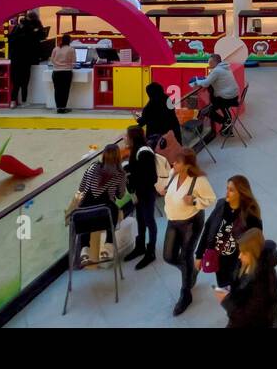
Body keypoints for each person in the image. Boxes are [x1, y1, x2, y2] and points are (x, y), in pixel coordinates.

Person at [163, 150, 216, 316]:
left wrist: (194, 201)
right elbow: (170, 192)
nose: (173, 164)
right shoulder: (173, 174)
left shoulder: (199, 181)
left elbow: (211, 199)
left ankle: (186, 294)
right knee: (168, 256)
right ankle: (190, 271)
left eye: (177, 162)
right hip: (173, 220)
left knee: (186, 255)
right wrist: (164, 191)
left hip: (191, 223)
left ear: (187, 165)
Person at [196, 175, 263, 291]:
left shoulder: (250, 216)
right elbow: (208, 229)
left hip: (238, 262)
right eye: (227, 188)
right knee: (224, 286)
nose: (227, 192)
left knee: (239, 290)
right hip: (219, 260)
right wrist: (199, 255)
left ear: (241, 193)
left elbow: (255, 242)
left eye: (231, 190)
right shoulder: (221, 205)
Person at [75, 143, 127, 265]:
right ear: (118, 157)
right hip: (104, 218)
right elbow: (120, 195)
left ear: (103, 155)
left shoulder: (92, 167)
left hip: (83, 218)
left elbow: (81, 188)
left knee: (87, 210)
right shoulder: (120, 174)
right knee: (113, 209)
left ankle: (84, 249)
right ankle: (108, 247)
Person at [219, 228, 277, 328]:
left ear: (253, 253)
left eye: (244, 253)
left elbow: (247, 315)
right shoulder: (246, 263)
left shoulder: (262, 281)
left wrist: (226, 300)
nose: (239, 256)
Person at [124, 125, 160, 269]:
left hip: (146, 193)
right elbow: (138, 169)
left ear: (133, 137)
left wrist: (133, 178)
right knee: (141, 219)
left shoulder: (144, 152)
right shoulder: (137, 150)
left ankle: (151, 251)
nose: (125, 138)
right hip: (140, 193)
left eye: (127, 135)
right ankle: (140, 246)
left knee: (149, 220)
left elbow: (151, 176)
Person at [190, 54, 241, 141]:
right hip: (234, 96)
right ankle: (227, 125)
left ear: (215, 62)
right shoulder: (225, 67)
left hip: (226, 98)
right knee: (221, 106)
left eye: (210, 62)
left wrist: (196, 81)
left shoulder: (217, 70)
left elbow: (206, 83)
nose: (208, 64)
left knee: (206, 111)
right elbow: (212, 78)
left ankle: (226, 122)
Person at [6, 15, 38, 108]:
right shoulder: (29, 34)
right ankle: (24, 101)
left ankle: (13, 102)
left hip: (15, 61)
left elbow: (10, 43)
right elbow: (34, 46)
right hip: (25, 62)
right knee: (24, 83)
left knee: (16, 83)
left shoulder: (14, 34)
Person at [49, 33, 77, 113]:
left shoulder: (56, 49)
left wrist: (57, 65)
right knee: (65, 91)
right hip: (66, 73)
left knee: (57, 90)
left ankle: (58, 108)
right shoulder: (71, 49)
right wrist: (69, 65)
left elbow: (52, 60)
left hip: (56, 72)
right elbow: (74, 61)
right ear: (69, 41)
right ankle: (63, 107)